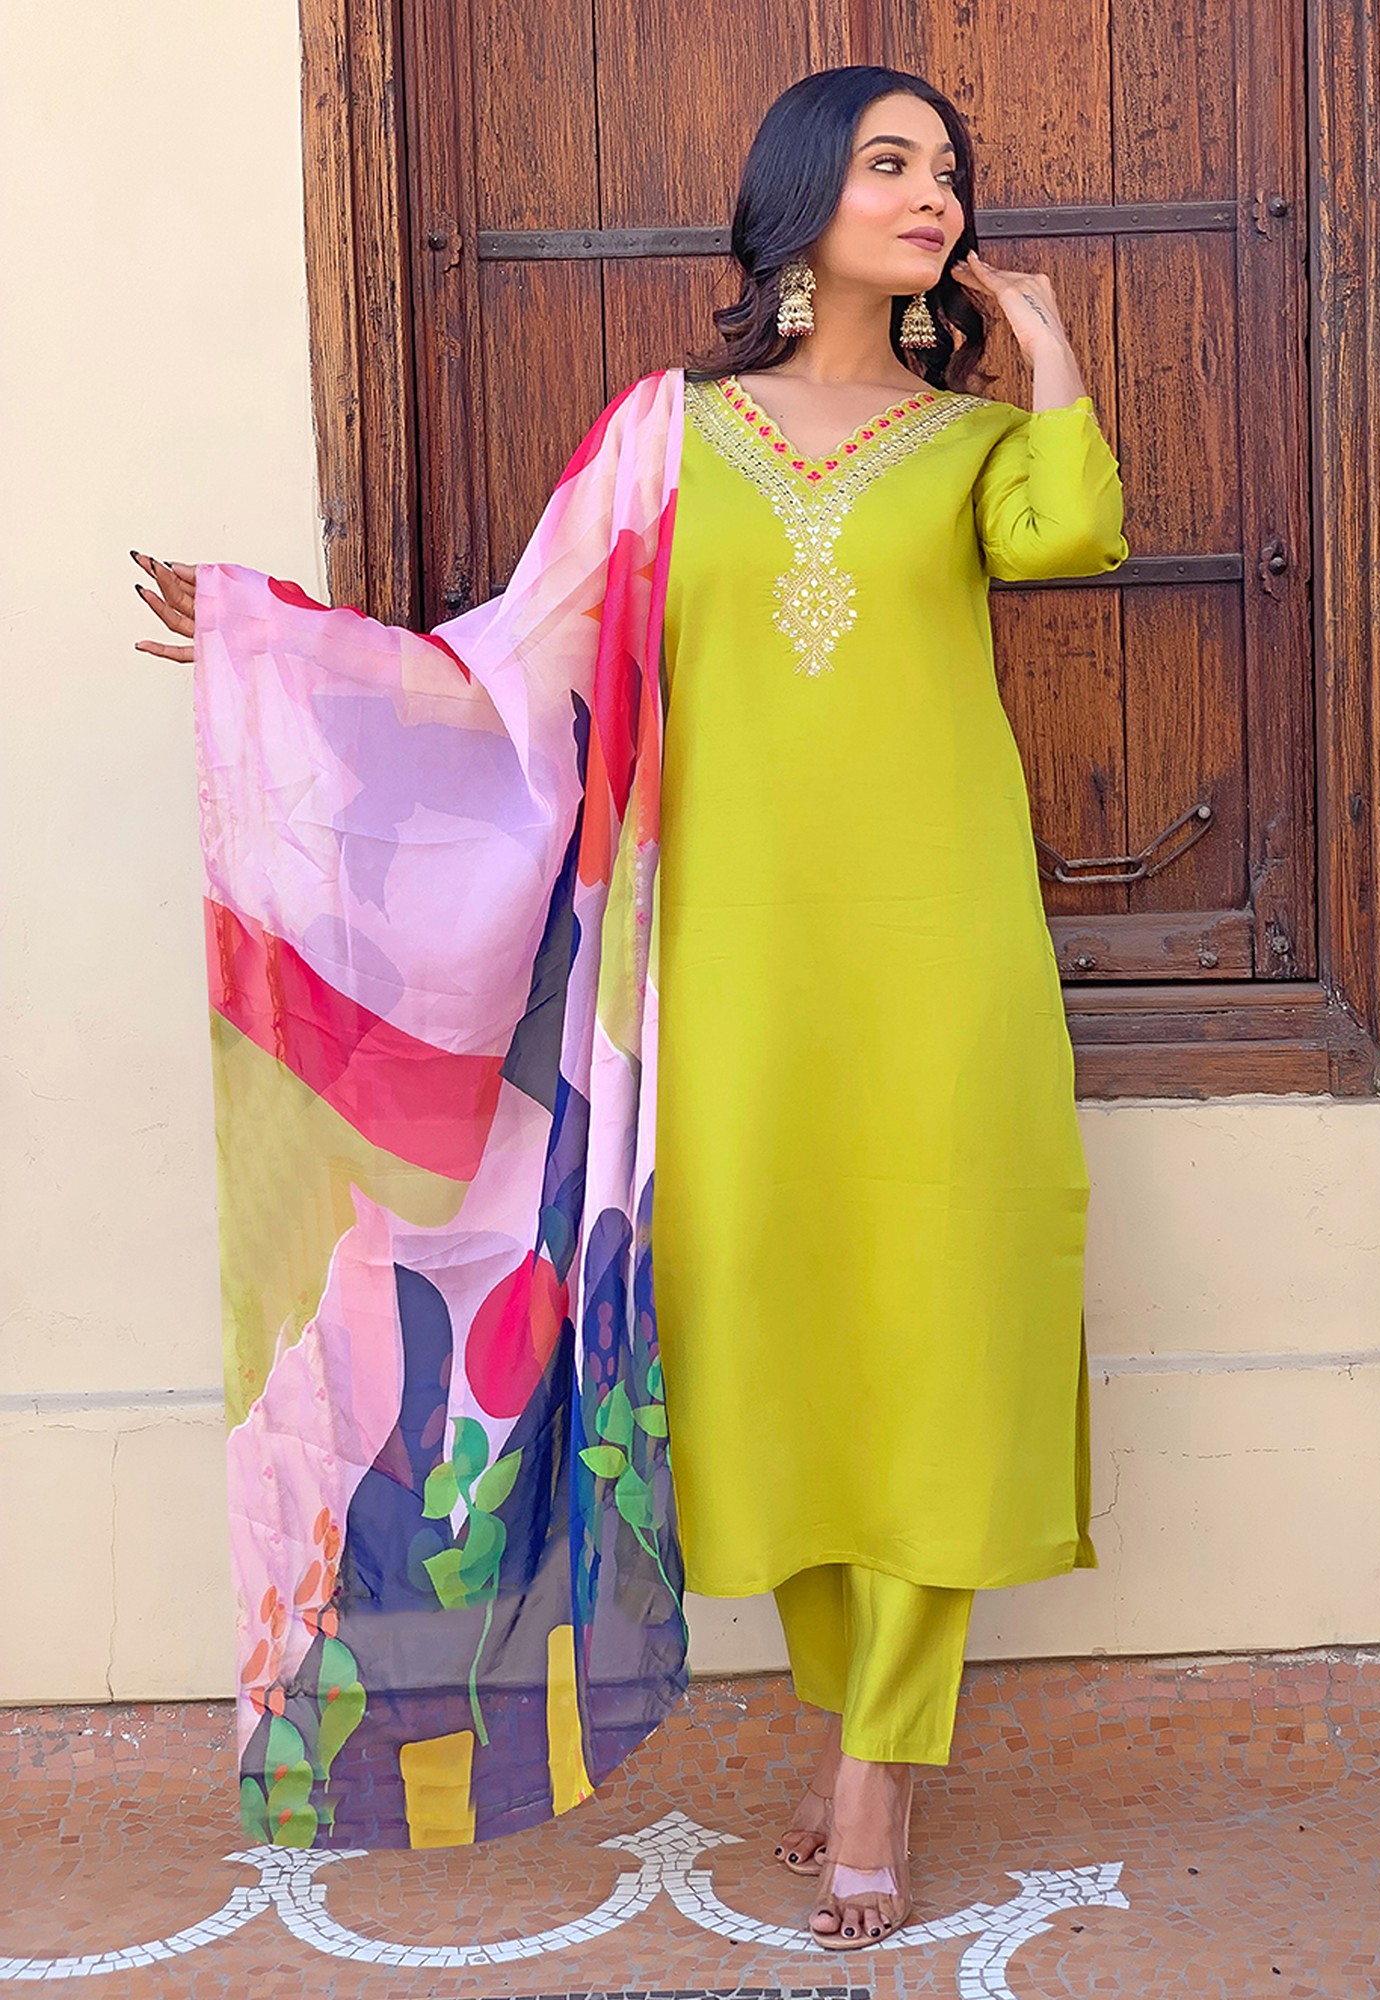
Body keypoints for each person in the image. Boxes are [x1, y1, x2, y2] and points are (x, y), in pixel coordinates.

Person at [135, 63, 1125, 1956]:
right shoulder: (669, 436)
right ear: (802, 194)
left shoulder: (973, 444)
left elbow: (1073, 531)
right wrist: (281, 649)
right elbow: (514, 659)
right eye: (891, 162)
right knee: (767, 1330)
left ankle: (879, 1767)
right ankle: (852, 1706)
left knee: (944, 1327)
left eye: (948, 171)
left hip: (944, 960)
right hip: (730, 965)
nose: (931, 193)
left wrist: (1048, 343)